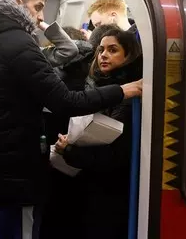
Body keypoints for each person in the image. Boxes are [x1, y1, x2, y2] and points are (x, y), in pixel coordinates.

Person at [0, 0, 142, 239]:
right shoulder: (19, 42)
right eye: (39, 7)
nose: (42, 15)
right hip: (18, 180)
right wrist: (123, 90)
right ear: (19, 6)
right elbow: (65, 101)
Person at [55, 28, 143, 239]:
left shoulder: (130, 97)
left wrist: (70, 150)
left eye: (113, 50)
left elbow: (114, 158)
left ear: (129, 54)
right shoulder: (100, 89)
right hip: (96, 185)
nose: (103, 55)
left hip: (112, 190)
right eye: (101, 50)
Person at [3, 0, 78, 67]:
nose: (42, 17)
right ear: (18, 5)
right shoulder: (3, 44)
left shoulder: (30, 48)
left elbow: (69, 50)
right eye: (37, 8)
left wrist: (41, 25)